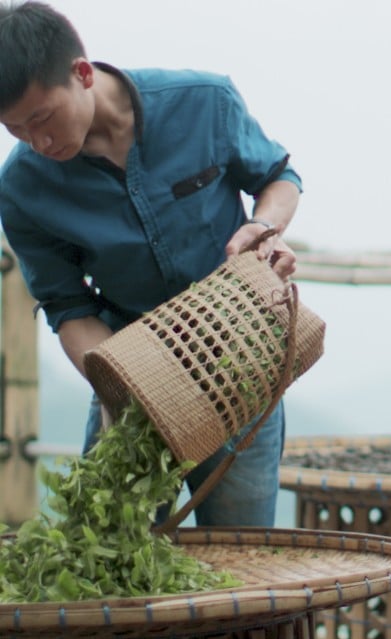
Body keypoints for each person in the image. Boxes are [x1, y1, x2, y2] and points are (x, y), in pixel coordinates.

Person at [0, 1, 302, 528]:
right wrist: (124, 394)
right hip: (134, 389)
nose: (38, 143)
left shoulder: (205, 103)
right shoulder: (23, 189)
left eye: (43, 118)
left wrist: (266, 227)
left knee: (241, 567)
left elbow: (279, 176)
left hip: (241, 369)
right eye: (17, 130)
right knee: (111, 573)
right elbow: (68, 308)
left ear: (82, 73)